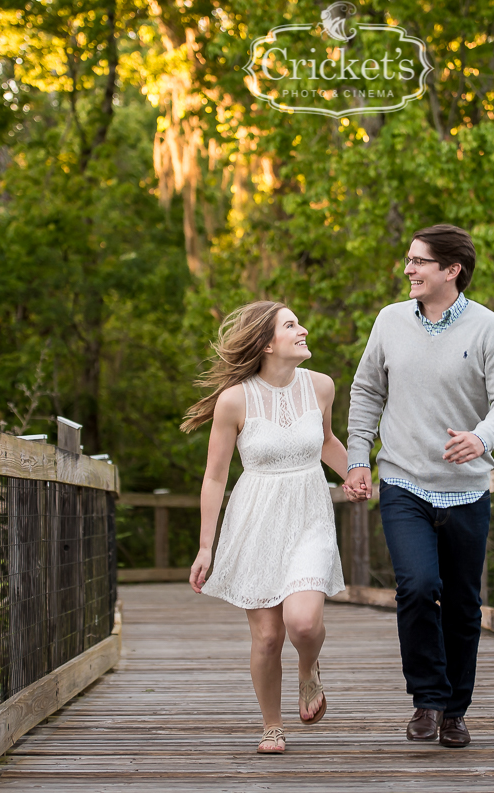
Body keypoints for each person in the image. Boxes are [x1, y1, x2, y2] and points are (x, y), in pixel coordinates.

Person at [344, 224, 494, 748]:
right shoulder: (390, 321)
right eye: (408, 260)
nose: (409, 269)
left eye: (420, 262)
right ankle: (427, 697)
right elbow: (366, 391)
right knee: (419, 587)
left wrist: (480, 437)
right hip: (403, 481)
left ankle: (454, 712)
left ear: (453, 270)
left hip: (467, 487)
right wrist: (358, 459)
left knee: (464, 603)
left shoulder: (489, 328)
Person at [183, 301, 348, 755]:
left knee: (303, 622)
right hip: (255, 520)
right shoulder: (234, 399)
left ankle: (308, 669)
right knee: (269, 635)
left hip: (309, 515)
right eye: (292, 325)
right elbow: (215, 476)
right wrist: (205, 547)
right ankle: (272, 724)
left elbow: (327, 442)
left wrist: (355, 471)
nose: (304, 330)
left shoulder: (322, 387)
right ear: (267, 342)